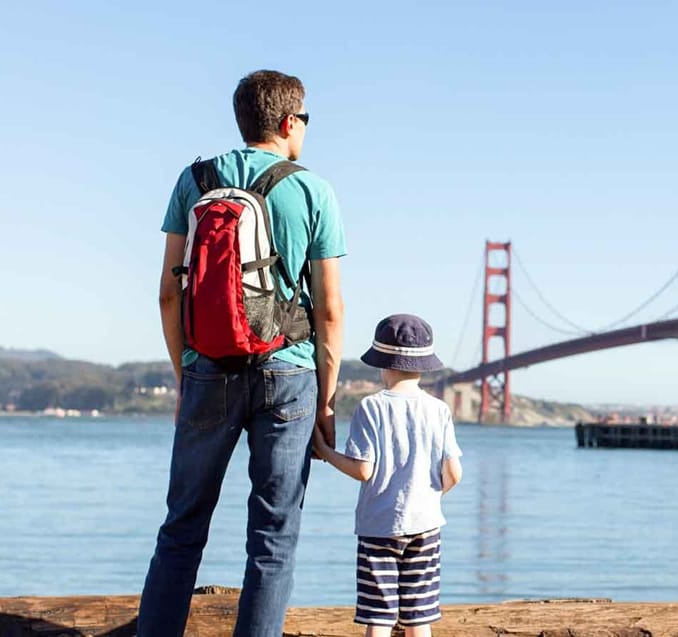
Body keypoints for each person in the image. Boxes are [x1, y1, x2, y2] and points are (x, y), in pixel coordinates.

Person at [140, 69, 346, 636]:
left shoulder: (195, 179)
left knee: (181, 528)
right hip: (290, 373)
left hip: (207, 368)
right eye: (305, 120)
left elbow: (167, 292)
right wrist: (325, 401)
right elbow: (329, 310)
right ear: (288, 123)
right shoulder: (313, 189)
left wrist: (186, 373)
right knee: (273, 539)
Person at [313, 313, 463, 636]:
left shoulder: (371, 407)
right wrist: (428, 496)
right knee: (418, 618)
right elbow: (453, 473)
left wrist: (326, 452)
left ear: (382, 365)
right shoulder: (440, 410)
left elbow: (363, 470)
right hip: (426, 527)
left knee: (378, 617)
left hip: (378, 527)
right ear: (424, 366)